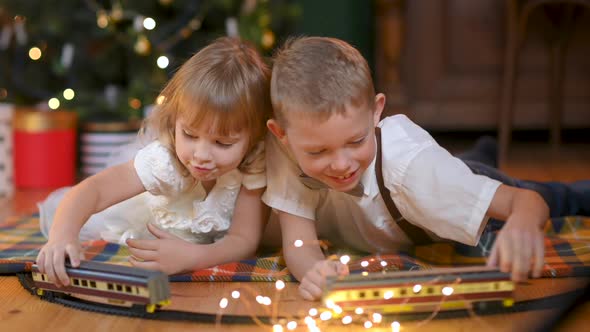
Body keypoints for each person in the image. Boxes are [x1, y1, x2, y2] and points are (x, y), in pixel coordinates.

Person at [262, 36, 590, 301]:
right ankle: (481, 151)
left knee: (557, 197)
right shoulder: (285, 152)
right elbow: (299, 243)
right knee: (468, 167)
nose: (341, 164)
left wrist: (523, 223)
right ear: (282, 135)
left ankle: (486, 161)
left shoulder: (414, 169)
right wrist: (315, 271)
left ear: (376, 112)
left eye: (356, 141)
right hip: (435, 189)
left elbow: (527, 202)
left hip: (440, 191)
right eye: (318, 151)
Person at [36, 37, 272, 287]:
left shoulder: (255, 162)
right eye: (190, 135)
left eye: (223, 143)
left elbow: (243, 240)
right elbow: (94, 190)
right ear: (176, 122)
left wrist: (195, 257)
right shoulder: (166, 160)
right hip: (149, 221)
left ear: (254, 137)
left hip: (198, 247)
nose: (201, 154)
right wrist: (62, 236)